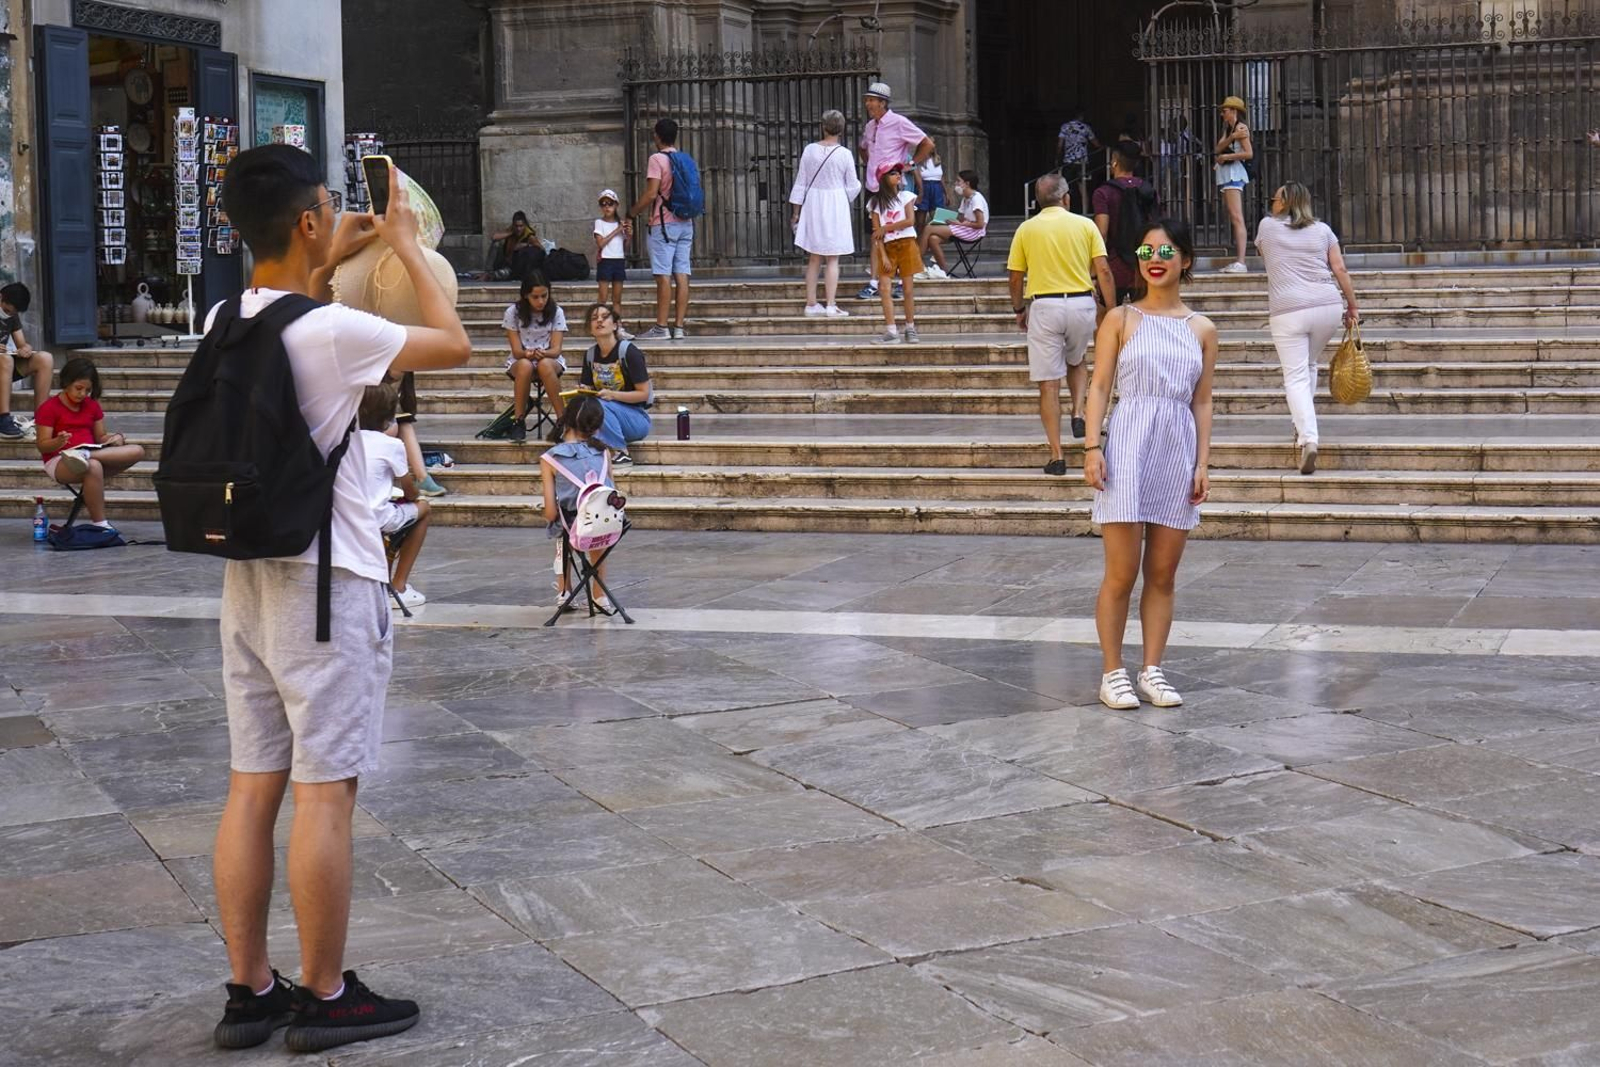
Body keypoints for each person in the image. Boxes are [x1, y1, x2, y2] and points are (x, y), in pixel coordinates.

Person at [206, 146, 471, 1054]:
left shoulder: (223, 315)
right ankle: (324, 992)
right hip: (329, 580)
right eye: (326, 206)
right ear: (311, 219)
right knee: (327, 793)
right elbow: (453, 342)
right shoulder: (331, 333)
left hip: (248, 580)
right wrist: (402, 241)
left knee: (252, 790)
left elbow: (294, 316)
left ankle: (249, 988)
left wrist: (317, 261)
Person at [1083, 219, 1218, 711]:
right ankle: (1112, 671)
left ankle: (1153, 670)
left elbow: (1202, 401)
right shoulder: (1119, 319)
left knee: (1162, 573)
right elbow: (1099, 386)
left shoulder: (1202, 329)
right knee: (1121, 572)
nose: (1153, 258)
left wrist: (1203, 462)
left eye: (1165, 251)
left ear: (1185, 260)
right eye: (1145, 250)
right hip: (1127, 443)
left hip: (1176, 447)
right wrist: (1092, 446)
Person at [1006, 172, 1116, 475]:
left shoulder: (1026, 229)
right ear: (1066, 197)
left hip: (1045, 305)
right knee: (1077, 360)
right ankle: (1078, 410)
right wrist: (1111, 308)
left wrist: (1018, 309)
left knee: (1048, 385)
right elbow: (1103, 270)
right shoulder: (1085, 225)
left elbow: (1015, 276)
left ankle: (1056, 456)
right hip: (1081, 303)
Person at [1257, 180, 1360, 475]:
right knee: (1309, 364)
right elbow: (1339, 269)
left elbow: (1267, 257)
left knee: (1296, 374)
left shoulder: (1267, 227)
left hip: (1288, 310)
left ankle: (1308, 437)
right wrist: (1352, 306)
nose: (1271, 204)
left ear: (1285, 203)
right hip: (1327, 306)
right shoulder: (1323, 230)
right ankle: (1302, 419)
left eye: (1275, 199)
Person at [34, 357, 144, 529]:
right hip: (59, 461)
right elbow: (42, 445)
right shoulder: (49, 408)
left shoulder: (91, 406)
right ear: (67, 383)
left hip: (90, 455)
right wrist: (58, 441)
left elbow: (100, 437)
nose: (82, 394)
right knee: (93, 466)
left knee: (137, 450)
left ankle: (84, 454)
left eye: (87, 390)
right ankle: (101, 524)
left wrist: (115, 439)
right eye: (78, 388)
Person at [856, 82, 935, 300]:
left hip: (893, 188)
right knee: (876, 235)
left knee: (900, 234)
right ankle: (874, 282)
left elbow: (926, 143)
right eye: (867, 99)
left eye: (871, 100)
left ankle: (901, 280)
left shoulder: (899, 122)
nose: (868, 103)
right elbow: (863, 147)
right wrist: (872, 167)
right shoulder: (871, 126)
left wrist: (910, 165)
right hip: (874, 186)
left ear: (883, 103)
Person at [541, 394, 616, 612]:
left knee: (561, 527)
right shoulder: (604, 453)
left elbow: (550, 513)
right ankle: (599, 595)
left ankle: (565, 591)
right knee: (595, 518)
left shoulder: (550, 458)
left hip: (577, 533)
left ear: (567, 419)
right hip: (610, 529)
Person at [358, 382, 429, 609]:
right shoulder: (391, 445)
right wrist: (416, 496)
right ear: (389, 419)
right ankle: (399, 584)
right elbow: (409, 490)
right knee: (424, 510)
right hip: (377, 516)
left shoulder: (346, 439)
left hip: (347, 514)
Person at [789, 109, 861, 317]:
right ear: (842, 129)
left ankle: (811, 304)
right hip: (835, 202)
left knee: (814, 257)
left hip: (813, 202)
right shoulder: (845, 154)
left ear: (823, 126)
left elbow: (801, 183)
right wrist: (842, 195)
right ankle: (830, 304)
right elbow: (854, 185)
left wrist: (796, 212)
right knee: (832, 258)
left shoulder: (809, 150)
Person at [629, 118, 693, 341]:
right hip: (685, 223)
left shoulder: (657, 159)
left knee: (663, 275)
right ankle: (679, 327)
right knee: (682, 273)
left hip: (664, 224)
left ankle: (661, 327)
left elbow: (651, 194)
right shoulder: (683, 158)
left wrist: (632, 212)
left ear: (657, 136)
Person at [579, 302, 651, 465]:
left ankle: (621, 452)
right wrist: (585, 390)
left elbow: (643, 393)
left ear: (615, 325)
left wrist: (612, 395)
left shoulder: (629, 352)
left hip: (635, 418)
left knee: (599, 404)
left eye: (605, 317)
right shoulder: (590, 355)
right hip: (605, 414)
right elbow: (589, 387)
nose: (599, 321)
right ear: (590, 328)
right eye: (594, 318)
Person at [501, 272, 568, 440]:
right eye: (535, 297)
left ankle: (563, 420)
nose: (540, 301)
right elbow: (516, 351)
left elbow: (556, 349)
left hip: (549, 359)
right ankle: (519, 420)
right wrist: (527, 354)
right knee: (525, 364)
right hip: (521, 359)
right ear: (526, 296)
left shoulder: (556, 311)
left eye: (544, 296)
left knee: (545, 363)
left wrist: (543, 353)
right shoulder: (512, 312)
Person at [1092, 141, 1158, 305]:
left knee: (1109, 316)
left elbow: (1102, 233)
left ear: (1114, 162)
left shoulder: (1103, 192)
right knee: (1145, 316)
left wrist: (1095, 270)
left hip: (1115, 262)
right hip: (1143, 262)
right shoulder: (1148, 189)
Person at [868, 162, 921, 344]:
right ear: (883, 178)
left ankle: (910, 327)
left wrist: (886, 227)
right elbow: (877, 235)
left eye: (898, 172)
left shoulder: (906, 196)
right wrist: (882, 255)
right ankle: (891, 330)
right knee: (884, 288)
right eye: (892, 173)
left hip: (907, 244)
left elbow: (910, 221)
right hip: (888, 248)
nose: (898, 175)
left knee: (907, 289)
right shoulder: (875, 203)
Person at [0, 282, 55, 439]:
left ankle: (40, 419)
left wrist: (25, 348)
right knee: (6, 360)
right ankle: (3, 418)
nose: (8, 314)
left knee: (45, 358)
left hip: (4, 367)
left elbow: (21, 343)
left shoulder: (12, 316)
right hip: (4, 363)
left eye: (12, 313)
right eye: (6, 310)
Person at [917, 169, 987, 280]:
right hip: (965, 228)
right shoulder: (966, 199)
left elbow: (980, 224)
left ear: (967, 183)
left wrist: (960, 224)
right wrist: (946, 219)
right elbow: (962, 218)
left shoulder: (976, 199)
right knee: (933, 239)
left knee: (928, 228)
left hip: (973, 232)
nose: (956, 184)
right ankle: (943, 272)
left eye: (958, 181)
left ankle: (916, 264)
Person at [1214, 96, 1254, 272]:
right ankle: (1239, 260)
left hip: (1233, 173)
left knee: (1237, 217)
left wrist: (1227, 157)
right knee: (1234, 216)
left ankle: (1241, 261)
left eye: (1225, 110)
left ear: (1234, 111)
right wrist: (1231, 138)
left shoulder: (1241, 127)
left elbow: (1249, 153)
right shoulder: (1230, 129)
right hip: (1227, 173)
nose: (1223, 113)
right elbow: (1217, 148)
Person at [393, 372, 448, 498]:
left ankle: (423, 478)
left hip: (383, 424)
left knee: (405, 425)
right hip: (364, 428)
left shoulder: (404, 375)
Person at [593, 189, 631, 315]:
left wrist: (629, 235)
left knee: (617, 299)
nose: (606, 207)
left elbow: (625, 247)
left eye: (610, 203)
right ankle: (600, 321)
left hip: (619, 260)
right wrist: (617, 230)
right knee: (602, 298)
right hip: (605, 261)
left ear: (616, 205)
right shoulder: (599, 223)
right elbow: (600, 243)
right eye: (603, 204)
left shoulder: (621, 223)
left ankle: (617, 325)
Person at [1056, 106, 1100, 213]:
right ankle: (1085, 211)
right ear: (1081, 116)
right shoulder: (1086, 127)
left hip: (1068, 161)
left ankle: (1064, 210)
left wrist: (1057, 158)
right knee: (1083, 188)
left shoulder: (1065, 127)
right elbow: (1096, 144)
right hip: (1082, 161)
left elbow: (1060, 145)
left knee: (1065, 187)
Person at [491, 211, 543, 280]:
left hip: (517, 267)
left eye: (521, 226)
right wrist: (511, 233)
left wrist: (526, 245)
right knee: (496, 244)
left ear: (525, 225)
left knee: (497, 276)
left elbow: (541, 250)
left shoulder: (529, 236)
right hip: (507, 261)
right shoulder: (512, 231)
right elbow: (494, 237)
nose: (518, 229)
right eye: (516, 226)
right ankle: (489, 271)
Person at [914, 150, 945, 236]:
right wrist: (920, 191)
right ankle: (919, 242)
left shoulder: (937, 159)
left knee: (938, 218)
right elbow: (916, 175)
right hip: (924, 186)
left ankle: (935, 240)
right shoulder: (917, 160)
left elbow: (941, 177)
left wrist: (946, 193)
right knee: (920, 220)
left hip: (937, 187)